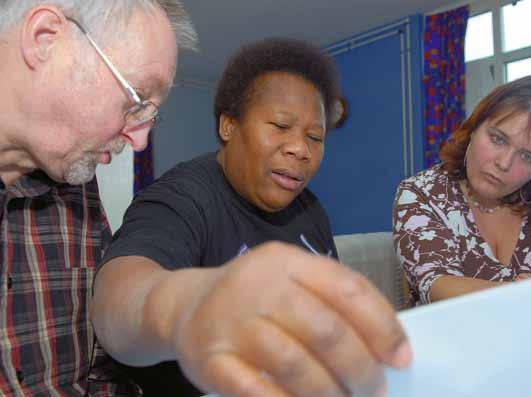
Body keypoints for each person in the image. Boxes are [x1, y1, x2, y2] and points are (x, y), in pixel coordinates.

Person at [92, 38, 413, 397]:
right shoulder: (181, 199)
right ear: (228, 126)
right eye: (279, 125)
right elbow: (115, 305)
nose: (300, 149)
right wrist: (194, 305)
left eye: (314, 136)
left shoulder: (311, 210)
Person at [0, 1, 197, 395]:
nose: (140, 140)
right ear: (44, 39)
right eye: (136, 99)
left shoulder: (76, 185)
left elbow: (100, 371)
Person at [393, 75, 531, 306]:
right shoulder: (423, 192)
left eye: (528, 157)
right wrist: (522, 294)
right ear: (473, 129)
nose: (504, 163)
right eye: (498, 139)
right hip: (445, 339)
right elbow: (434, 284)